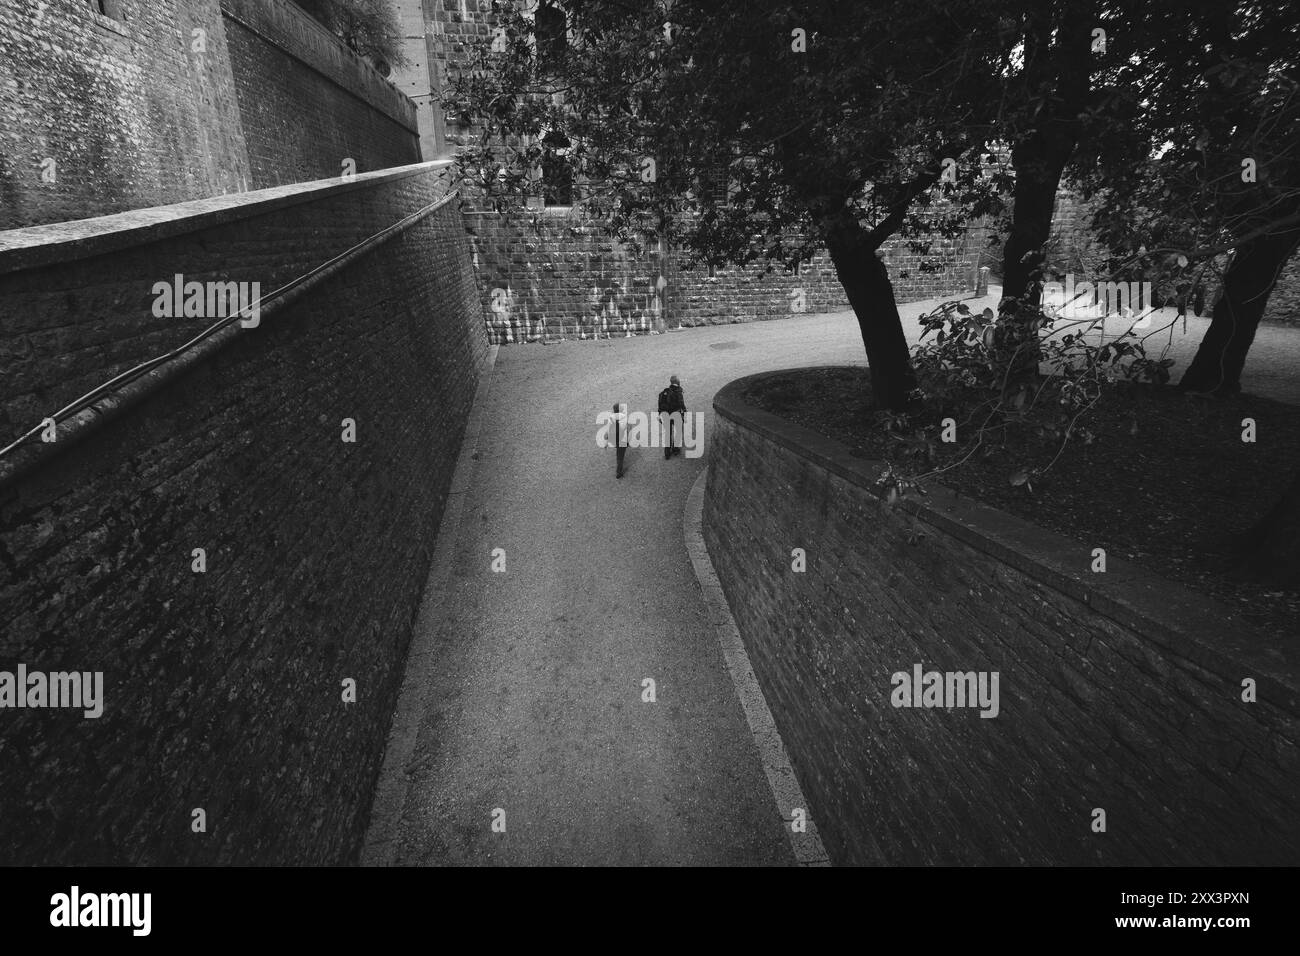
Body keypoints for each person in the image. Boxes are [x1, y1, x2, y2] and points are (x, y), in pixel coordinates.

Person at [657, 374, 686, 459]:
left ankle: (667, 453)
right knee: (678, 432)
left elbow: (659, 405)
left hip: (665, 415)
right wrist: (684, 412)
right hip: (675, 414)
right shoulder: (678, 391)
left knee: (667, 434)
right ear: (677, 382)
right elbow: (681, 403)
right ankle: (675, 449)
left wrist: (659, 415)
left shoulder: (664, 393)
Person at [614, 402, 627, 479]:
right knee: (620, 457)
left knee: (619, 455)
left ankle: (619, 469)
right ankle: (619, 472)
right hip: (622, 440)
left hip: (616, 440)